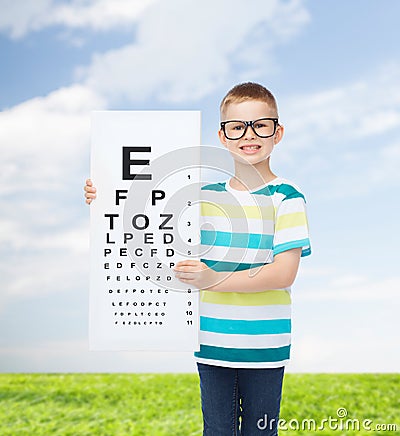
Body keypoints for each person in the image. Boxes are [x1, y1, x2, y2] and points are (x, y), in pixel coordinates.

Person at [84, 82, 311, 435]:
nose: (248, 135)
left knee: (261, 432)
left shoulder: (287, 197)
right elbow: (145, 212)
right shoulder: (202, 197)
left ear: (277, 132)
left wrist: (213, 279)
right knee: (217, 431)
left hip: (265, 345)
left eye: (260, 125)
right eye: (237, 127)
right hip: (211, 343)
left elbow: (284, 273)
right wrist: (103, 195)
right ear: (222, 136)